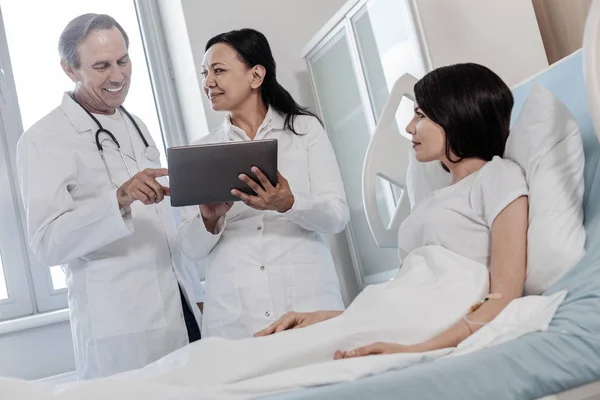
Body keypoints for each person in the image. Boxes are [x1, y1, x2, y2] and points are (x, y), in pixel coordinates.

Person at [255, 62, 529, 359]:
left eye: (420, 115)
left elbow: (503, 295)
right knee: (249, 357)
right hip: (389, 319)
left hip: (425, 334)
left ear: (458, 114)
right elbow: (408, 295)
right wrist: (329, 318)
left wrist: (415, 350)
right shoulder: (433, 200)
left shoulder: (498, 177)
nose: (410, 127)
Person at [16, 14, 201, 379]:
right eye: (101, 66)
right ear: (70, 69)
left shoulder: (136, 124)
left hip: (180, 308)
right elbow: (46, 245)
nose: (117, 76)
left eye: (123, 60)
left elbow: (161, 225)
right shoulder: (43, 140)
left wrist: (193, 290)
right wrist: (117, 200)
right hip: (121, 327)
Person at [178, 28, 349, 339]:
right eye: (205, 73)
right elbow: (190, 249)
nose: (208, 82)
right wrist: (209, 219)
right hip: (236, 313)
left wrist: (289, 203)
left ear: (256, 75)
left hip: (305, 302)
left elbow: (337, 217)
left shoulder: (303, 130)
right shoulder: (202, 151)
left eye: (218, 70)